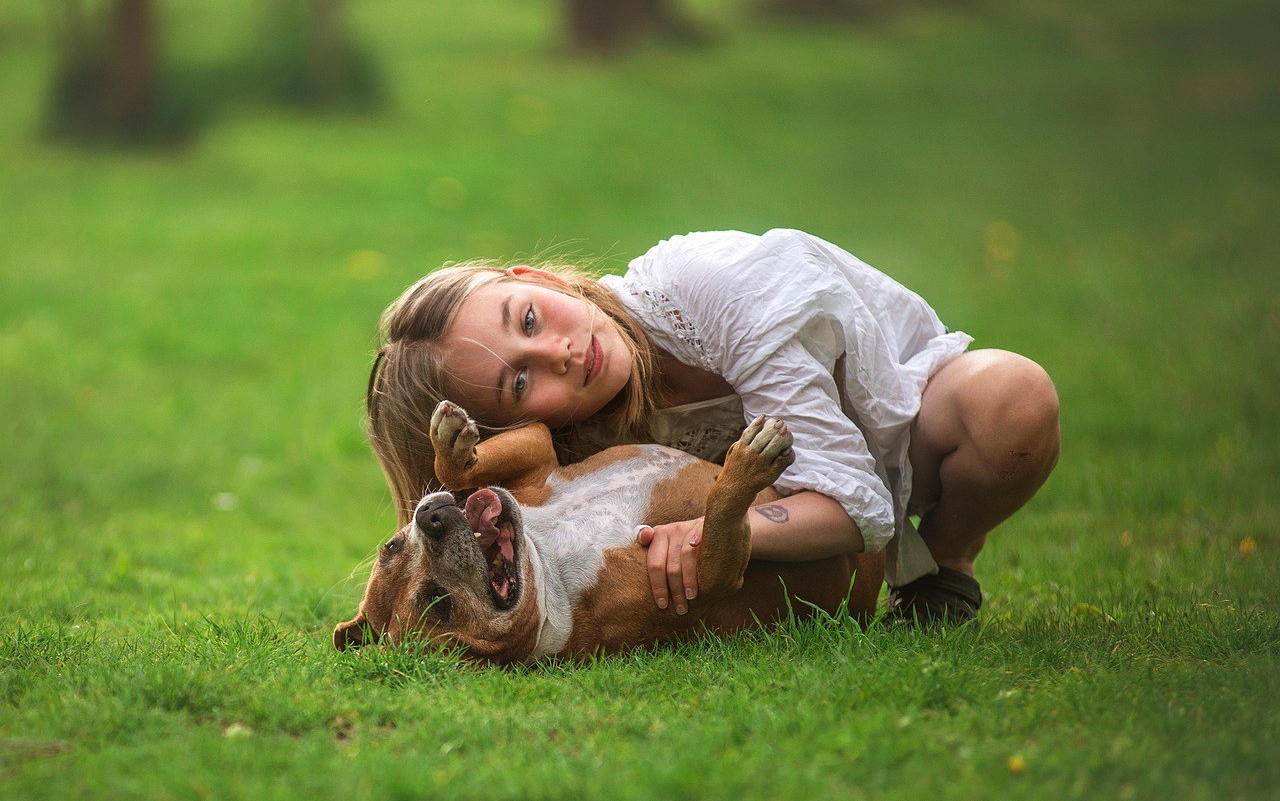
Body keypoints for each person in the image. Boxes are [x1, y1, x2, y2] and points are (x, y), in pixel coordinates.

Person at [366, 228, 1060, 624]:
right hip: (804, 508)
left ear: (538, 280)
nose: (560, 352)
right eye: (521, 382)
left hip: (908, 429)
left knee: (1012, 401)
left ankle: (944, 561)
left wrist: (713, 532)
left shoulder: (714, 291)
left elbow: (860, 504)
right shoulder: (576, 438)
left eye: (529, 318)